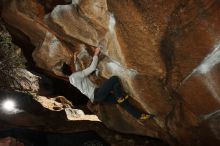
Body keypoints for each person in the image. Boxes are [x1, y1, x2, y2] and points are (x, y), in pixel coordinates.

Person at [65, 47, 154, 120]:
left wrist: (75, 60)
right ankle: (120, 96)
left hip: (96, 98)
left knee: (121, 100)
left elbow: (77, 72)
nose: (72, 65)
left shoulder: (71, 79)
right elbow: (92, 68)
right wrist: (96, 54)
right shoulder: (75, 76)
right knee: (114, 79)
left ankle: (138, 115)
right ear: (70, 68)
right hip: (97, 93)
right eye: (70, 65)